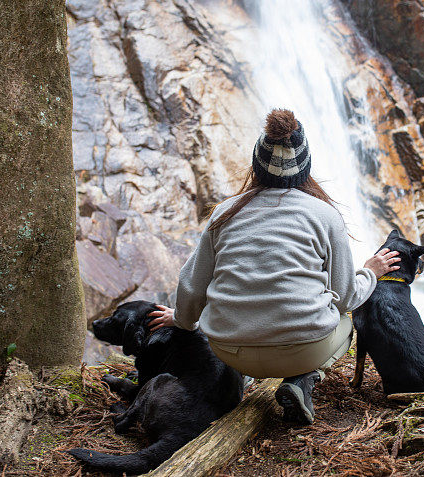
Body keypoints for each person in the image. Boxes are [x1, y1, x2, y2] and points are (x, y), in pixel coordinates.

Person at [146, 108, 400, 424]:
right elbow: (347, 296)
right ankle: (302, 380)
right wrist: (371, 272)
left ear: (256, 165)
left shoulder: (224, 213)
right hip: (303, 352)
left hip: (230, 350)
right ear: (306, 168)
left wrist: (182, 320)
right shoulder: (324, 215)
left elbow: (191, 285)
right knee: (345, 322)